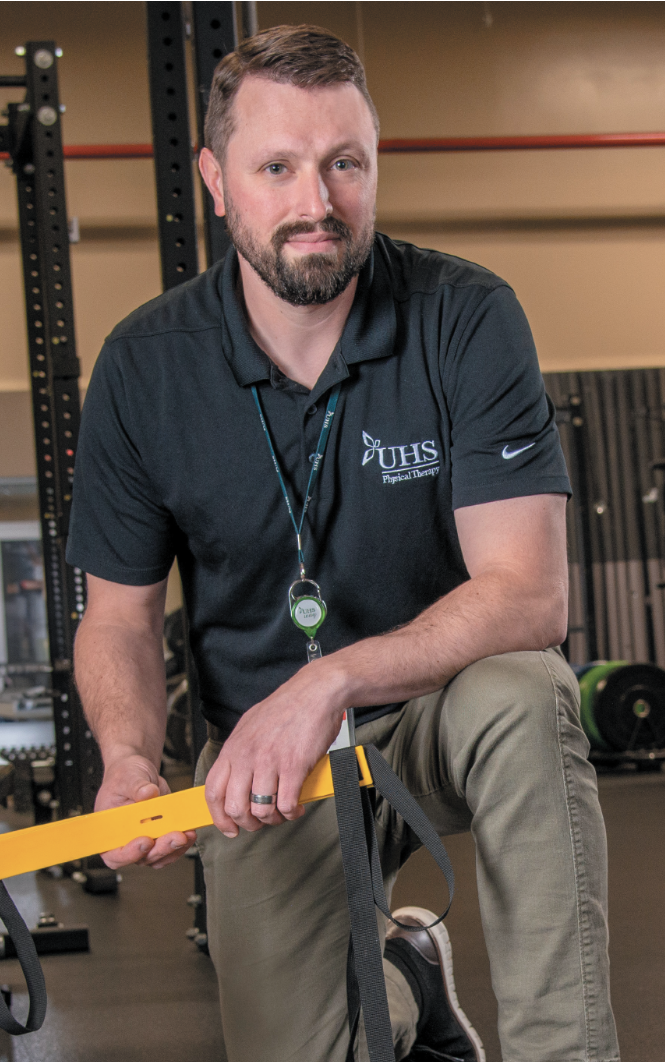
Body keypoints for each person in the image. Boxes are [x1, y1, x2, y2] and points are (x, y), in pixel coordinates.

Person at [68, 25, 620, 1062]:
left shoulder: (466, 315)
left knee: (527, 695)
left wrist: (327, 683)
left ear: (374, 167)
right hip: (265, 767)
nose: (316, 202)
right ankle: (405, 986)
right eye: (277, 167)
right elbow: (120, 617)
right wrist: (133, 759)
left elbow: (528, 596)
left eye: (344, 164)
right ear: (216, 181)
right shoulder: (143, 369)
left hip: (436, 712)